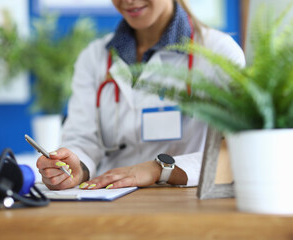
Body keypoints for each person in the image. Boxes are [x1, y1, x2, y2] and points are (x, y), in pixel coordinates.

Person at [36, 0, 245, 190]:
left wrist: (159, 169)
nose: (128, 1)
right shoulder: (93, 58)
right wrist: (75, 166)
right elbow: (82, 139)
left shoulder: (218, 52)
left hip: (184, 201)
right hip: (108, 201)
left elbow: (238, 152)